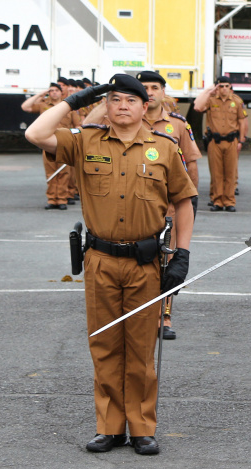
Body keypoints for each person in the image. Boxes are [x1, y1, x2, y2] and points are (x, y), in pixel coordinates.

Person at [25, 74, 196, 455]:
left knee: (140, 348)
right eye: (114, 99)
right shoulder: (85, 140)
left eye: (130, 100)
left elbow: (184, 202)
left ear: (145, 106)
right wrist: (76, 101)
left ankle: (141, 427)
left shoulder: (165, 147)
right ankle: (109, 426)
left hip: (146, 262)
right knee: (104, 345)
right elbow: (36, 134)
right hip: (101, 259)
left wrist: (182, 255)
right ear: (106, 104)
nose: (122, 106)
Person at [84, 70, 202, 340]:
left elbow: (190, 167)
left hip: (168, 208)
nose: (149, 91)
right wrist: (106, 99)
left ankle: (164, 316)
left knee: (168, 266)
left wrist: (191, 203)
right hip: (133, 212)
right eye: (144, 87)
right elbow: (84, 128)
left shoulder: (177, 125)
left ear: (162, 92)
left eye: (154, 87)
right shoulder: (116, 118)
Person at [193, 76, 247, 212]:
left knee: (230, 172)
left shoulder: (236, 101)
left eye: (226, 86)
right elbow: (198, 107)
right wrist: (209, 91)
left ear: (230, 87)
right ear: (217, 87)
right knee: (216, 173)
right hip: (214, 141)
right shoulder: (210, 100)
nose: (223, 89)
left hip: (231, 141)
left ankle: (229, 201)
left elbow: (242, 121)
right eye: (220, 86)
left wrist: (241, 140)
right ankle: (217, 201)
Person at [21, 83, 79, 209]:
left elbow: (78, 126)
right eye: (51, 91)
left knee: (64, 173)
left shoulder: (68, 108)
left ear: (61, 92)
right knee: (51, 173)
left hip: (64, 143)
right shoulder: (44, 105)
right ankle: (52, 199)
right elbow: (25, 107)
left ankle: (62, 200)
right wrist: (41, 94)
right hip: (47, 143)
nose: (53, 93)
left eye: (56, 90)